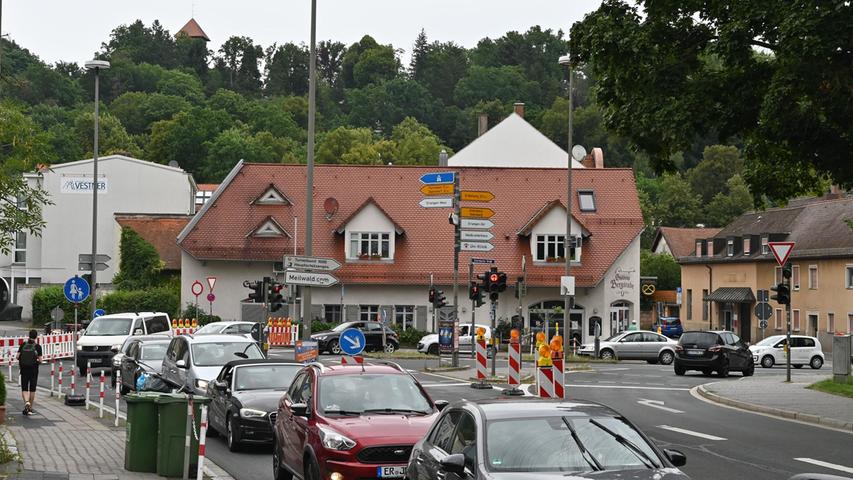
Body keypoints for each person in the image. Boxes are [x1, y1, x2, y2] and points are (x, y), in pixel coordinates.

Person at [17, 330, 43, 416]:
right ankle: (30, 408)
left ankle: (26, 403)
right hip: (34, 370)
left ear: (29, 335)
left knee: (24, 388)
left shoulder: (23, 345)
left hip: (24, 369)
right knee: (32, 389)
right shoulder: (38, 347)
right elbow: (40, 360)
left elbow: (17, 356)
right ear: (36, 337)